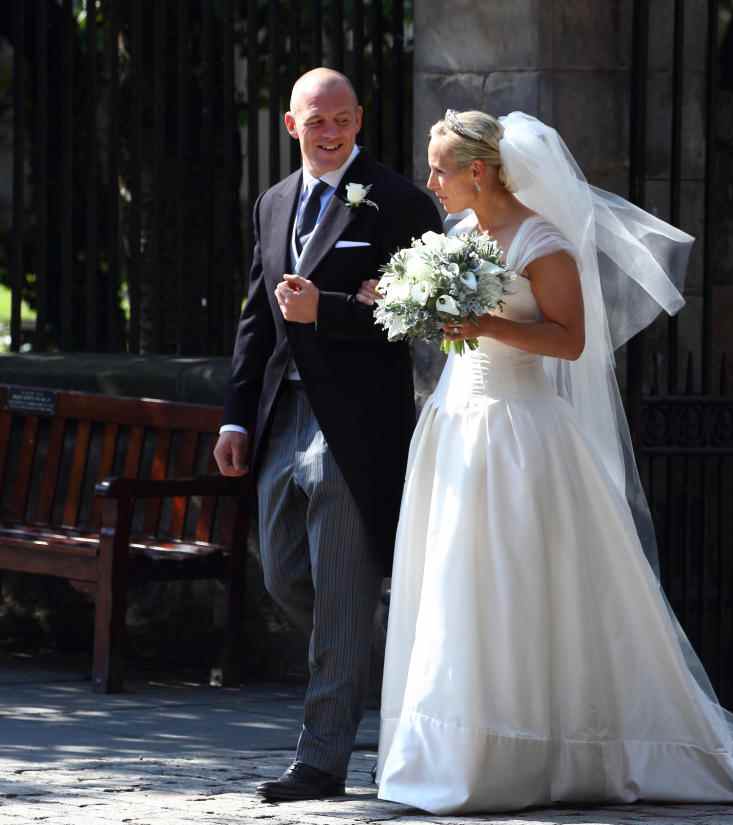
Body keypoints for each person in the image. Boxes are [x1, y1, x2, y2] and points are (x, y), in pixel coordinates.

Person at [357, 110, 733, 814]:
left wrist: (485, 324)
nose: (431, 181)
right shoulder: (457, 237)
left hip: (520, 432)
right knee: (457, 581)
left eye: (440, 167)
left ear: (479, 171)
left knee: (519, 582)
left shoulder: (542, 241)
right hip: (455, 423)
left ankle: (537, 754)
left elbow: (568, 340)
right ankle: (455, 754)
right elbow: (451, 329)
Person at [213, 68, 441, 803]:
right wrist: (236, 416)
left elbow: (419, 316)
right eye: (318, 121)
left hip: (356, 422)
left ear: (359, 120)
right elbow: (257, 319)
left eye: (343, 119)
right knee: (283, 573)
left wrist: (331, 310)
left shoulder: (402, 201)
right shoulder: (274, 202)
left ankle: (321, 761)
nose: (333, 132)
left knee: (341, 591)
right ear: (292, 126)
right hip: (285, 420)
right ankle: (383, 650)